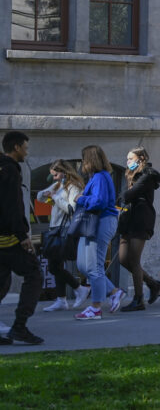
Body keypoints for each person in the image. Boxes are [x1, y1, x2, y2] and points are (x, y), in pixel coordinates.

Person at [0, 131, 43, 344]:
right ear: (16, 147)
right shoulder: (10, 171)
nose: (27, 151)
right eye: (25, 147)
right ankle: (19, 326)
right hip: (8, 239)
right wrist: (22, 235)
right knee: (34, 274)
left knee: (2, 282)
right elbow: (12, 207)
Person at [74, 145, 124, 319]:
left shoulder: (101, 177)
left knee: (94, 267)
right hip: (94, 224)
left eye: (84, 159)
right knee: (83, 265)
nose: (82, 163)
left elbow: (98, 202)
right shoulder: (97, 177)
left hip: (101, 222)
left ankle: (95, 307)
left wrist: (81, 198)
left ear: (90, 160)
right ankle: (114, 291)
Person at [116, 147, 160, 311]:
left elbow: (128, 196)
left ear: (141, 158)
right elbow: (125, 198)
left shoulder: (147, 175)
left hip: (141, 220)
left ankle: (139, 300)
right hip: (127, 220)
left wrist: (120, 198)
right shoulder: (132, 174)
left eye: (131, 159)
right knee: (123, 259)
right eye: (127, 159)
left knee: (134, 260)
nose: (128, 162)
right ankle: (153, 283)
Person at [37, 159, 87, 312]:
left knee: (54, 266)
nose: (54, 178)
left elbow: (71, 209)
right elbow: (40, 197)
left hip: (63, 229)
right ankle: (62, 300)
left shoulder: (73, 187)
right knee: (56, 265)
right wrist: (45, 193)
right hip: (55, 228)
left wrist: (55, 197)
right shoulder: (58, 185)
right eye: (52, 175)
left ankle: (79, 288)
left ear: (65, 172)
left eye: (56, 174)